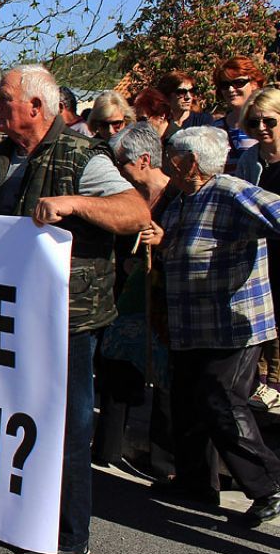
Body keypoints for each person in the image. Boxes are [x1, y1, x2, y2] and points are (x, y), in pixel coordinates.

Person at [0, 64, 149, 554]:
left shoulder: (82, 155)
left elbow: (135, 213)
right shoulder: (0, 158)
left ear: (35, 107)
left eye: (2, 100)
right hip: (10, 313)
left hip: (68, 319)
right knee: (11, 416)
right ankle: (19, 511)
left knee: (66, 424)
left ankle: (70, 535)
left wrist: (75, 205)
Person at [144, 126, 280, 528]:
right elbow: (181, 245)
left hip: (232, 325)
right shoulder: (184, 199)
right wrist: (162, 238)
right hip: (190, 324)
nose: (167, 161)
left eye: (172, 155)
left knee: (222, 400)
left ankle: (268, 485)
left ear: (190, 162)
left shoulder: (230, 191)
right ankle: (195, 482)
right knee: (187, 402)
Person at [94, 123, 177, 482]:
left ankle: (164, 463)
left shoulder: (177, 196)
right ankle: (107, 448)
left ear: (144, 160)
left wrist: (163, 244)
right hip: (129, 296)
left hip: (166, 299)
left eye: (122, 162)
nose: (117, 169)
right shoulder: (126, 195)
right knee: (116, 363)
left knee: (166, 379)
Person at [233, 87, 280, 413]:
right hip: (260, 253)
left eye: (270, 121)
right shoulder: (251, 160)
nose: (261, 128)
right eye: (254, 122)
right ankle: (266, 387)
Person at [210, 55, 265, 175]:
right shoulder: (214, 129)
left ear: (254, 84)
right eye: (225, 85)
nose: (230, 89)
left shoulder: (267, 124)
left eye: (239, 82)